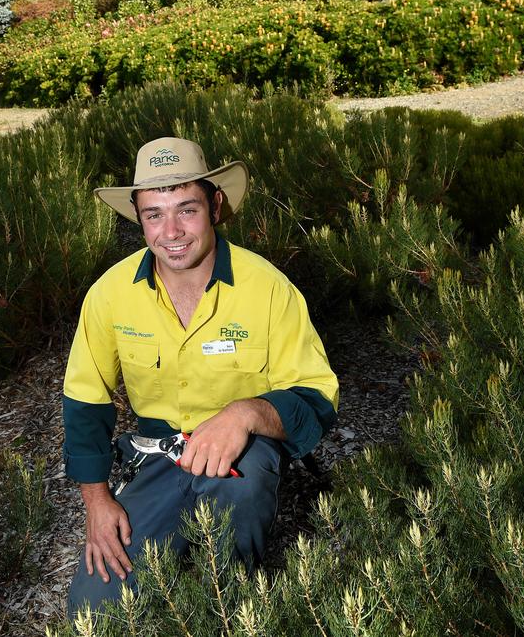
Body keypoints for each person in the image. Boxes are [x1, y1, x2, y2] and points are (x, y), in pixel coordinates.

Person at [63, 137, 339, 616]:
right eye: (154, 214)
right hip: (160, 457)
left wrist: (247, 413)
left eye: (186, 209)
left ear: (214, 205)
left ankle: (239, 605)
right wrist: (97, 501)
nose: (171, 231)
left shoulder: (268, 288)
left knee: (241, 498)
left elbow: (316, 398)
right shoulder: (108, 296)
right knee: (93, 612)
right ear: (138, 216)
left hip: (244, 459)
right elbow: (86, 401)